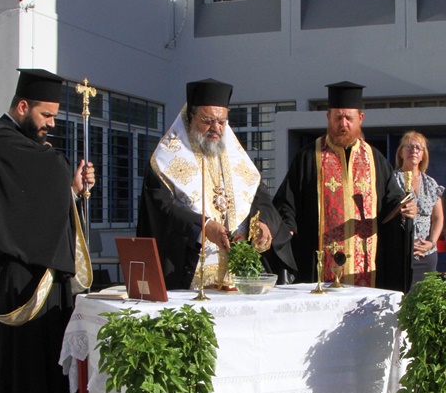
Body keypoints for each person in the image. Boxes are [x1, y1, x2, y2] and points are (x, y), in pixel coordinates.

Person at [0, 68, 96, 393]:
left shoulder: (35, 149)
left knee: (44, 358)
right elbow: (25, 194)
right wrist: (61, 177)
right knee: (18, 362)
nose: (51, 124)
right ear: (23, 105)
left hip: (44, 267)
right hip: (13, 274)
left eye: (55, 117)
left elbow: (42, 190)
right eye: (46, 115)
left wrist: (73, 189)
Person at [137, 79, 289, 290]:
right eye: (207, 120)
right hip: (188, 267)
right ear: (191, 118)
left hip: (237, 272)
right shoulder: (165, 159)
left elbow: (259, 196)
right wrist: (204, 225)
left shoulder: (234, 155)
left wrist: (263, 223)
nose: (216, 128)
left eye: (222, 121)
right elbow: (162, 208)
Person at [273, 81, 416, 291]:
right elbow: (287, 201)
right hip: (319, 264)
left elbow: (391, 200)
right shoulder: (308, 157)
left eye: (349, 118)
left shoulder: (375, 159)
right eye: (338, 117)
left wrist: (403, 209)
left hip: (367, 266)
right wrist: (289, 227)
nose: (343, 124)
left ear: (361, 118)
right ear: (328, 117)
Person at [394, 131, 445, 287]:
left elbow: (438, 218)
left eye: (418, 148)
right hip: (400, 254)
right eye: (409, 147)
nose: (414, 151)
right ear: (401, 152)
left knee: (424, 301)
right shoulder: (392, 180)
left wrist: (432, 242)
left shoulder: (430, 183)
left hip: (426, 255)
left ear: (423, 155)